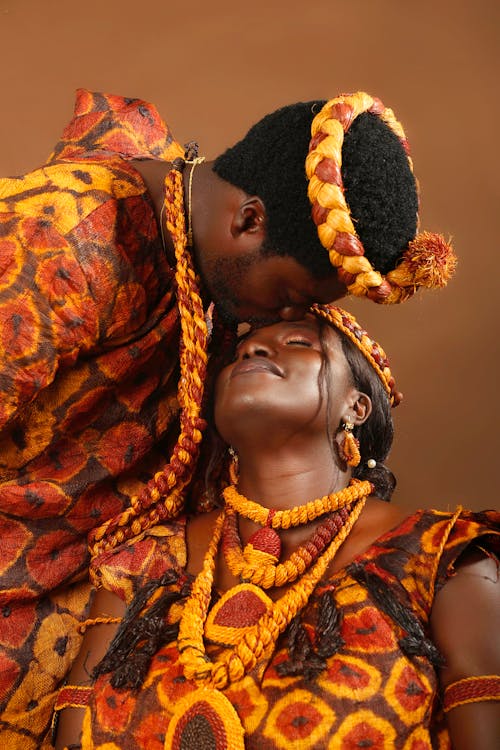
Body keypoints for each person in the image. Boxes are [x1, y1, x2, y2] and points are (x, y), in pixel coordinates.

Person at [0, 90, 455, 746]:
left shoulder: (202, 269)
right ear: (249, 220)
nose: (277, 324)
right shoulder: (64, 242)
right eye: (293, 297)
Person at [54, 304, 499, 750]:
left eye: (299, 343)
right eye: (241, 351)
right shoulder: (140, 562)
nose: (253, 349)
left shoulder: (443, 555)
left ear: (357, 405)